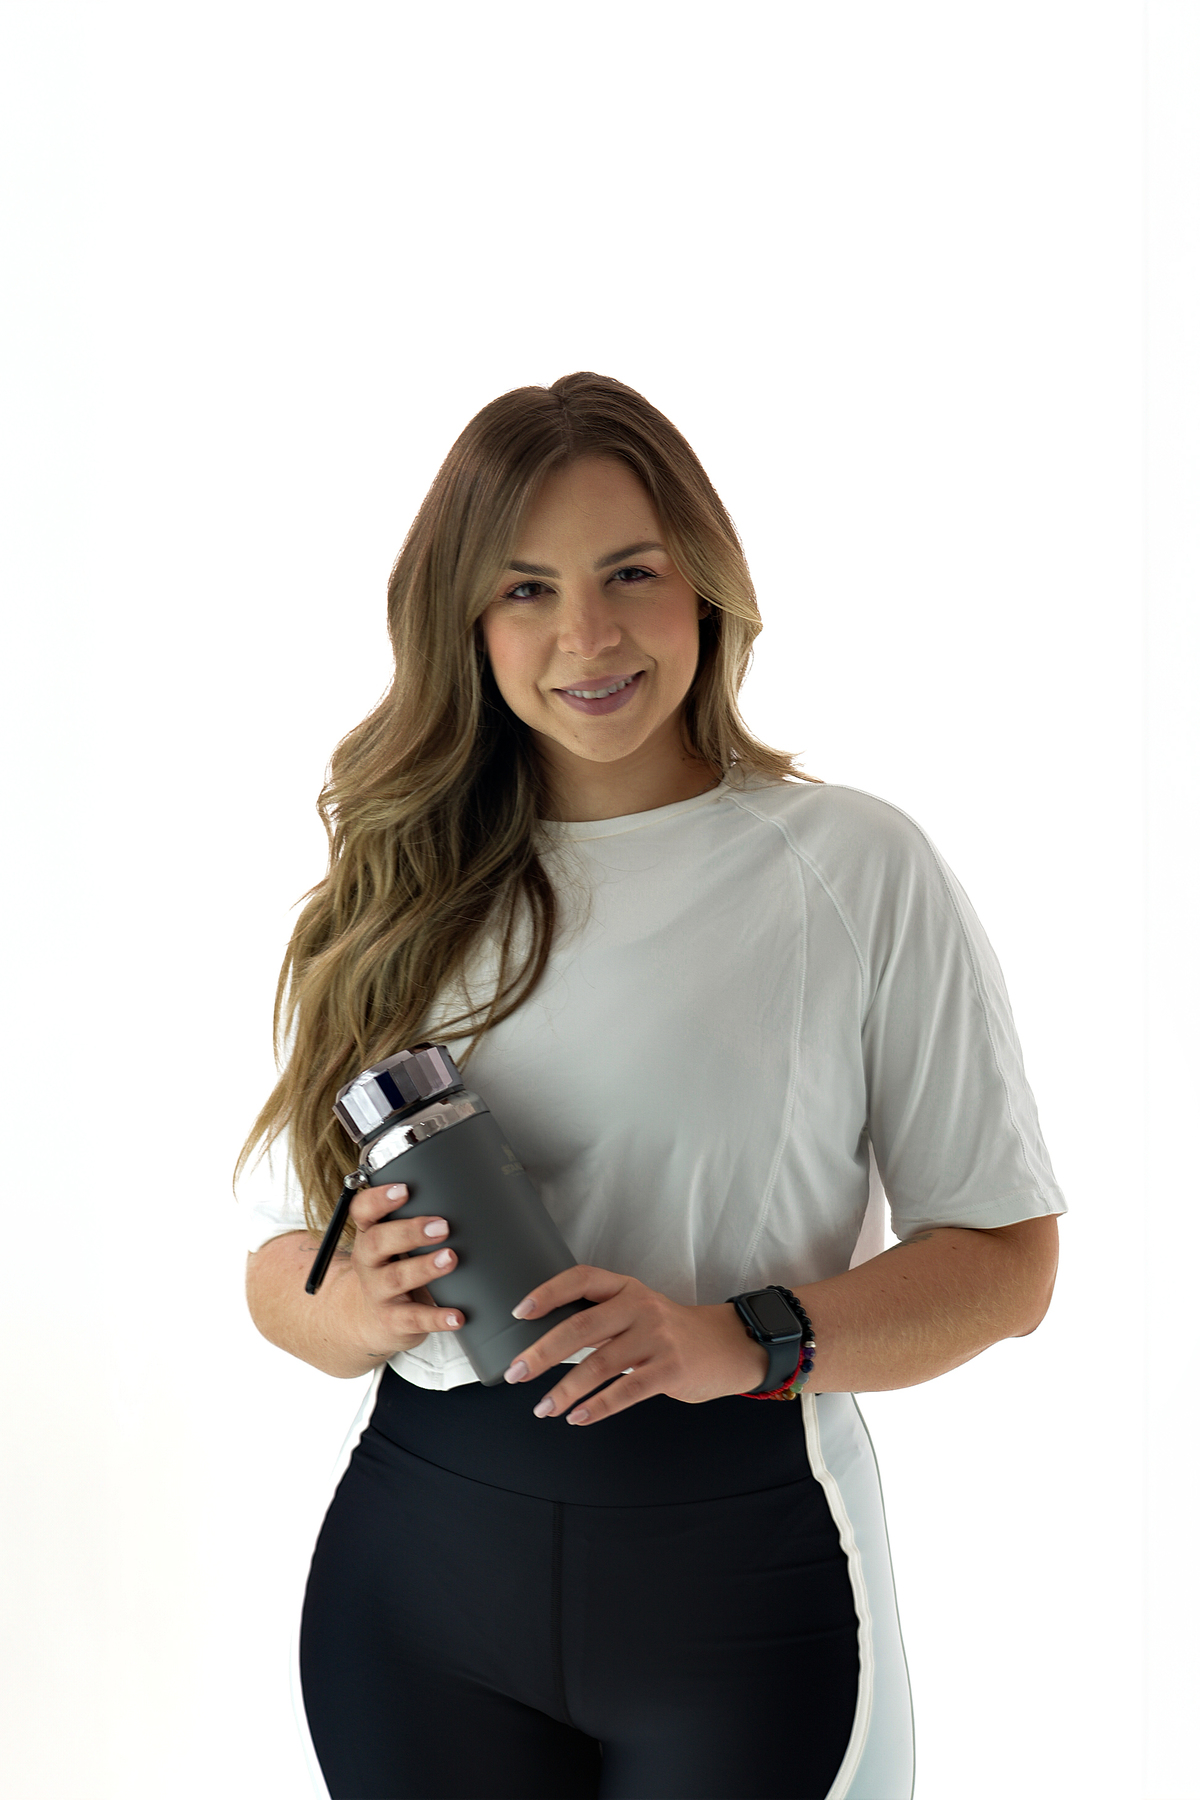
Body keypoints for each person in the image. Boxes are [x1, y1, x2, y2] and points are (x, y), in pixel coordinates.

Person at [238, 371, 1066, 1800]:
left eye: (631, 572)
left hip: (745, 1585)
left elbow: (1006, 1264)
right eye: (526, 590)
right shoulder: (392, 893)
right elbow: (275, 1274)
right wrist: (353, 1303)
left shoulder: (852, 867)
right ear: (464, 623)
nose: (590, 635)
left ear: (705, 584)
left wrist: (740, 1339)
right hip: (416, 1592)